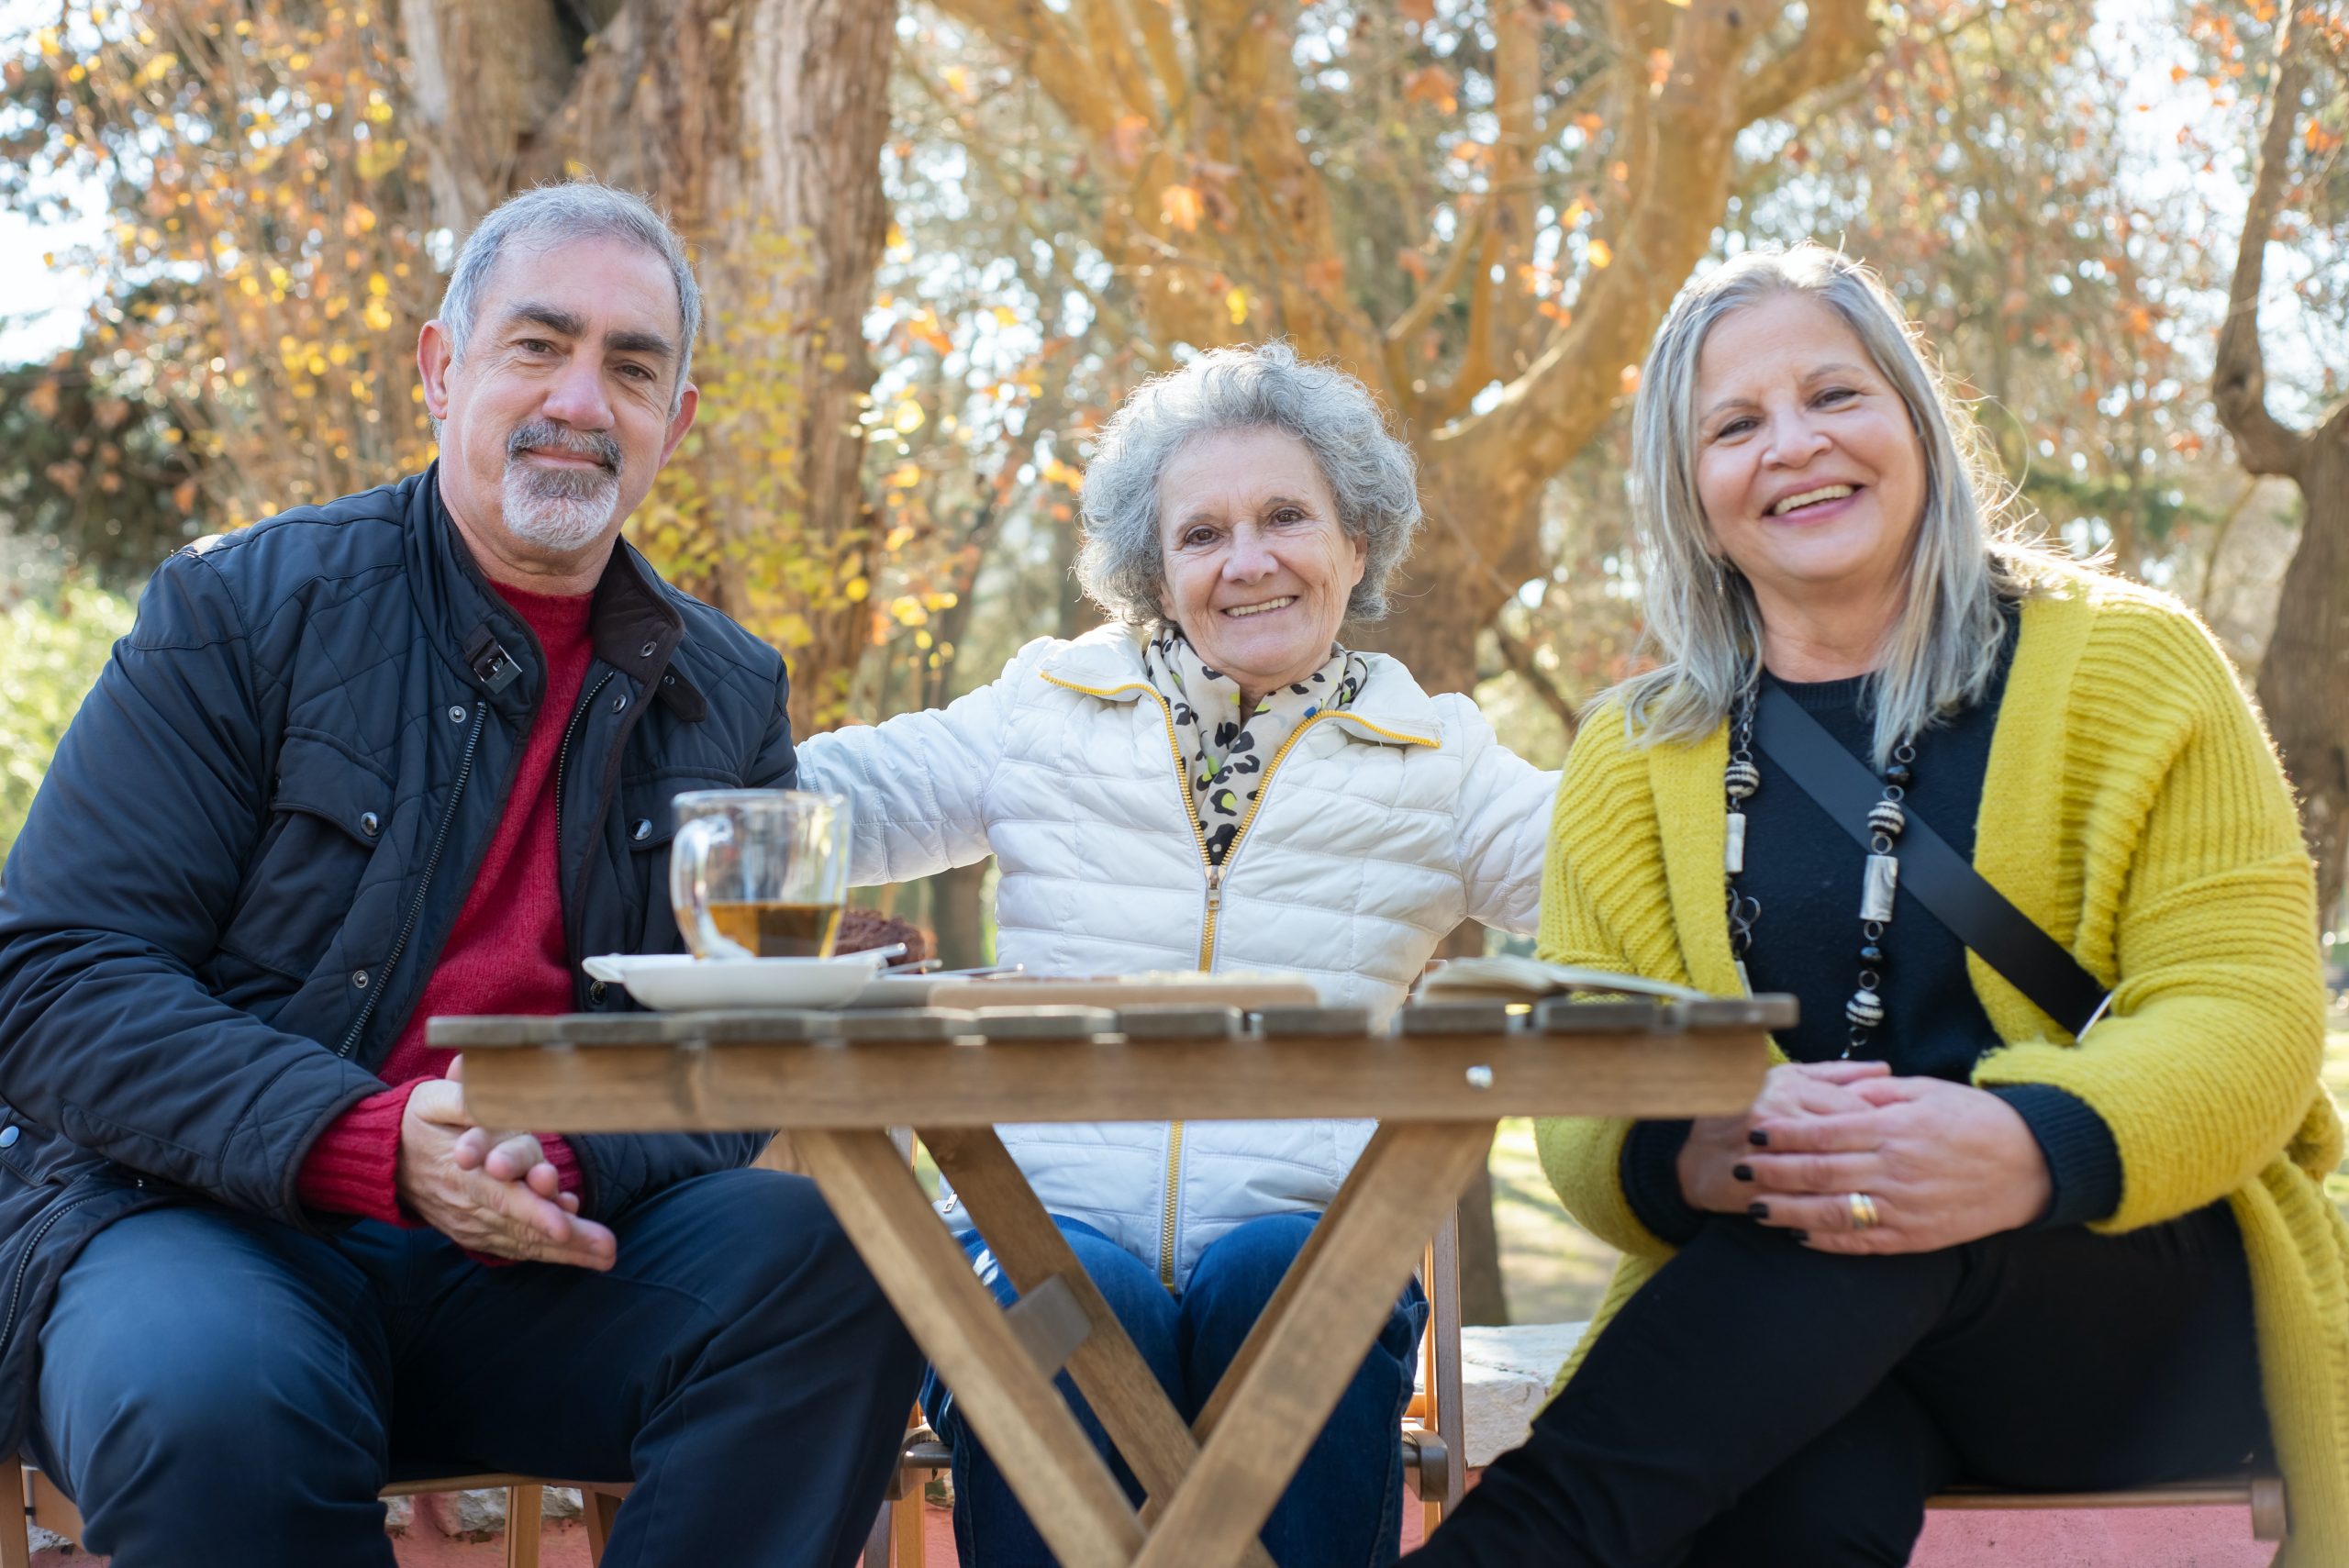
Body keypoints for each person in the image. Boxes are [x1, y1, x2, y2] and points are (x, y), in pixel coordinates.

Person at [0, 182, 922, 1567]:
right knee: (213, 1402)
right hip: (210, 1221)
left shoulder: (723, 689)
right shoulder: (242, 612)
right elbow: (56, 976)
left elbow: (732, 1046)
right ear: (443, 369)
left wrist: (558, 1152)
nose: (579, 399)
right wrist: (370, 1145)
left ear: (673, 420)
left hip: (546, 1252)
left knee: (838, 1261)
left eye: (631, 365)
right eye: (536, 345)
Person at [1406, 242, 2349, 1567]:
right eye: (1734, 424)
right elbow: (1586, 1084)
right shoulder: (1636, 751)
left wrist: (2017, 1142)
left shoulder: (2134, 665)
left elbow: (2248, 1015)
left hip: (2123, 1299)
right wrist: (1699, 1149)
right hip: (1810, 1329)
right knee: (1793, 1497)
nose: (1792, 446)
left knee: (1855, 1204)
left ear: (1917, 418)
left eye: (1835, 395)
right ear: (1690, 490)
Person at [795, 342, 1558, 1566]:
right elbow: (816, 803)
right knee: (1069, 1299)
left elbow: (1613, 873)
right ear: (1153, 569)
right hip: (1028, 1232)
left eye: (1285, 517)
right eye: (1201, 532)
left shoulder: (1438, 756)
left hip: (1316, 1243)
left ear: (1356, 541)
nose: (1246, 559)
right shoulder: (1043, 707)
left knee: (1279, 1277)